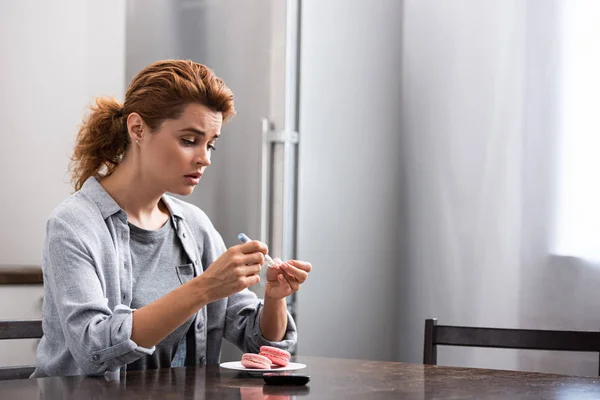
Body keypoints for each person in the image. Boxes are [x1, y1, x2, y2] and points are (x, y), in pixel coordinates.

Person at [31, 60, 311, 378]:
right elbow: (93, 349)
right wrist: (203, 288)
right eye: (189, 140)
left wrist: (274, 299)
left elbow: (258, 340)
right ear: (137, 129)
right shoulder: (73, 225)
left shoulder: (195, 225)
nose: (204, 158)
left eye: (211, 144)